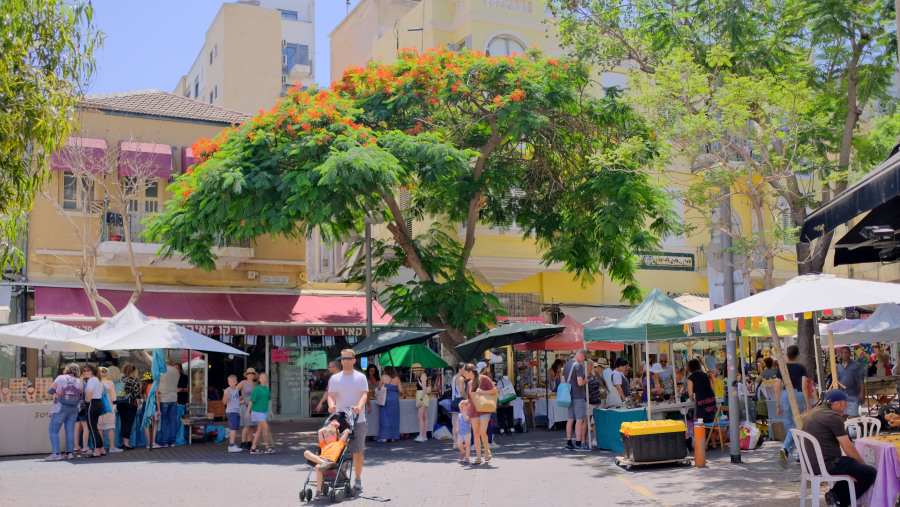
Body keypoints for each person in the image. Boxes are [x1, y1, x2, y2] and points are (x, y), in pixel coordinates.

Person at [802, 390, 877, 507]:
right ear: (836, 404)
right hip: (827, 464)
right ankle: (841, 502)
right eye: (844, 403)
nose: (846, 406)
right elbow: (847, 447)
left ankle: (834, 495)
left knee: (851, 466)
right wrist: (862, 463)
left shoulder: (815, 411)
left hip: (811, 464)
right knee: (870, 472)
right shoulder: (833, 417)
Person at [327, 349, 369, 491]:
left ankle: (357, 478)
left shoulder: (360, 377)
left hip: (358, 419)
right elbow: (331, 395)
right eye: (343, 358)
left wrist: (359, 407)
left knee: (358, 451)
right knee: (339, 449)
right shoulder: (335, 378)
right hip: (340, 420)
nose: (345, 361)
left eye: (348, 358)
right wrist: (331, 405)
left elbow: (364, 395)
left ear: (354, 360)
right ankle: (341, 475)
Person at [774, 344, 810, 468]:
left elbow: (777, 387)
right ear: (797, 355)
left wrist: (778, 404)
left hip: (785, 395)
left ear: (787, 355)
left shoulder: (782, 368)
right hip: (798, 394)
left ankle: (796, 452)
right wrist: (807, 403)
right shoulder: (801, 368)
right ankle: (788, 449)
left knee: (790, 425)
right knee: (799, 425)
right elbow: (804, 386)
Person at [303, 421, 351, 501]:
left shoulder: (339, 443)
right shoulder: (324, 444)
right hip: (321, 460)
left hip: (330, 462)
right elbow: (319, 432)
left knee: (318, 467)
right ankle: (323, 464)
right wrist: (329, 425)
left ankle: (318, 492)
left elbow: (347, 431)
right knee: (306, 453)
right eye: (324, 436)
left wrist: (338, 429)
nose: (325, 438)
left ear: (335, 436)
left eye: (327, 436)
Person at [460, 362, 497, 465]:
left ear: (470, 372)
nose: (463, 375)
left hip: (484, 409)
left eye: (465, 372)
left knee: (482, 432)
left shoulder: (484, 378)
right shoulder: (469, 383)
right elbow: (471, 399)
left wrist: (483, 392)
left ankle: (486, 450)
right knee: (475, 434)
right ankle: (479, 457)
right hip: (474, 410)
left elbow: (494, 390)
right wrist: (465, 402)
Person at [45, 363, 83, 461]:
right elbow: (82, 394)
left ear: (67, 369)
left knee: (53, 431)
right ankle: (69, 453)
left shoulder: (60, 378)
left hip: (60, 407)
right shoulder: (79, 381)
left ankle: (56, 453)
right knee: (70, 430)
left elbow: (51, 391)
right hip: (74, 408)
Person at [562, 349, 588, 451]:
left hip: (568, 396)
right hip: (578, 395)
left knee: (570, 420)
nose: (583, 360)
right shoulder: (578, 366)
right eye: (584, 357)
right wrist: (587, 380)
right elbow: (580, 383)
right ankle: (578, 443)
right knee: (579, 420)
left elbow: (563, 381)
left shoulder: (567, 365)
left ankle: (569, 443)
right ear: (581, 355)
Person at [157, 354, 181, 448]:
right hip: (173, 397)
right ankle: (173, 441)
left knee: (164, 421)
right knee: (172, 420)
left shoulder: (161, 371)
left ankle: (164, 441)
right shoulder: (176, 370)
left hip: (163, 397)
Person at [82, 363, 106, 458]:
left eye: (85, 371)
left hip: (92, 403)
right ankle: (101, 448)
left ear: (90, 372)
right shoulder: (98, 380)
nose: (83, 372)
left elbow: (90, 391)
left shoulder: (91, 380)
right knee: (94, 427)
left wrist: (87, 402)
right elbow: (105, 389)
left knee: (92, 427)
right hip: (98, 403)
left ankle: (96, 450)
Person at [247, 371, 274, 454]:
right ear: (259, 379)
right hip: (257, 412)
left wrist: (271, 412)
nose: (264, 379)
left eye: (265, 377)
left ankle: (253, 447)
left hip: (264, 412)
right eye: (262, 377)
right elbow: (251, 401)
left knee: (260, 430)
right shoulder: (257, 389)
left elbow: (268, 401)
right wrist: (248, 412)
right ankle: (267, 447)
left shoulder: (267, 389)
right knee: (266, 428)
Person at [97, 367, 122, 453]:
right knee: (110, 428)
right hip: (109, 407)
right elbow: (114, 397)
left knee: (100, 428)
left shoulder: (97, 383)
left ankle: (102, 447)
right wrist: (114, 407)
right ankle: (112, 447)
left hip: (99, 407)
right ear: (107, 374)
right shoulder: (110, 383)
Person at [836, 346, 865, 417]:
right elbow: (836, 381)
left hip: (853, 394)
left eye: (846, 353)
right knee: (843, 417)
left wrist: (862, 393)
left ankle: (858, 427)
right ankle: (844, 428)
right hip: (841, 396)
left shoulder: (856, 365)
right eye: (843, 353)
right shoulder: (837, 367)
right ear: (841, 354)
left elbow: (861, 380)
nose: (845, 354)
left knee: (854, 416)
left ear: (850, 354)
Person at [685, 358, 716, 423]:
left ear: (690, 368)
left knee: (700, 422)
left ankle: (702, 433)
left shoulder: (691, 378)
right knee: (710, 421)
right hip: (711, 400)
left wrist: (692, 399)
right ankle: (710, 432)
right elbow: (713, 389)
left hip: (701, 401)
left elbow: (690, 394)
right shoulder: (706, 375)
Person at [118, 363, 140, 450]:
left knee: (124, 423)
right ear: (133, 371)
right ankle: (126, 444)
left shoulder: (121, 380)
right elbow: (137, 395)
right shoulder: (134, 381)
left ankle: (124, 443)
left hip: (120, 404)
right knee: (128, 424)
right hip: (130, 405)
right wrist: (138, 405)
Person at [235, 367, 258, 449]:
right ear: (246, 375)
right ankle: (243, 442)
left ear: (254, 375)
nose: (250, 375)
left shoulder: (255, 384)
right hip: (245, 406)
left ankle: (249, 442)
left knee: (252, 425)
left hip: (254, 406)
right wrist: (239, 401)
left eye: (252, 373)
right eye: (249, 373)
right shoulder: (243, 383)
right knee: (247, 425)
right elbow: (233, 392)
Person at [377, 365, 401, 443]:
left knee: (385, 418)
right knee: (394, 418)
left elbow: (379, 387)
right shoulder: (397, 378)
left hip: (385, 399)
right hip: (395, 399)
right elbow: (400, 390)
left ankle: (384, 437)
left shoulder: (384, 377)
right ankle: (394, 437)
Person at [223, 374, 243, 452]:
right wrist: (225, 394)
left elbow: (235, 400)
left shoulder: (236, 390)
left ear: (236, 382)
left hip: (236, 411)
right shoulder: (228, 390)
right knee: (233, 429)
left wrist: (241, 399)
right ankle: (231, 445)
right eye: (231, 382)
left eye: (234, 381)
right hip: (231, 411)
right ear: (228, 382)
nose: (232, 383)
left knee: (234, 428)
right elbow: (224, 402)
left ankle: (233, 444)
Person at [141, 373, 160, 449]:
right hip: (152, 406)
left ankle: (148, 442)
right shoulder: (154, 386)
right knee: (155, 423)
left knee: (146, 424)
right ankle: (153, 442)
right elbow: (157, 398)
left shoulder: (142, 387)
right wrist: (159, 409)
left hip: (145, 405)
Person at [73, 368, 90, 455]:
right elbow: (87, 395)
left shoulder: (73, 383)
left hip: (75, 407)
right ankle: (85, 447)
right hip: (83, 406)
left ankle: (76, 447)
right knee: (86, 428)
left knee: (76, 428)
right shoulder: (84, 383)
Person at [448, 363, 466, 443]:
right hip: (460, 400)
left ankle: (455, 441)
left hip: (453, 400)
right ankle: (461, 440)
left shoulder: (454, 378)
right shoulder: (461, 378)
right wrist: (467, 397)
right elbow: (461, 390)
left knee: (455, 423)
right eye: (464, 368)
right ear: (460, 368)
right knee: (462, 422)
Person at [412, 363, 430, 442]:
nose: (413, 372)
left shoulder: (422, 376)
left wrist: (421, 399)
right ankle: (424, 435)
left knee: (420, 417)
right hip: (422, 396)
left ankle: (421, 435)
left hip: (422, 397)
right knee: (424, 417)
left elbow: (424, 389)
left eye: (414, 370)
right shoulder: (422, 376)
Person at [495, 369, 515, 435]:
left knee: (501, 416)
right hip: (510, 401)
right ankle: (512, 430)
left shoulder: (499, 383)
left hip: (502, 402)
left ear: (497, 378)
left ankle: (502, 431)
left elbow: (498, 392)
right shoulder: (509, 381)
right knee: (510, 416)